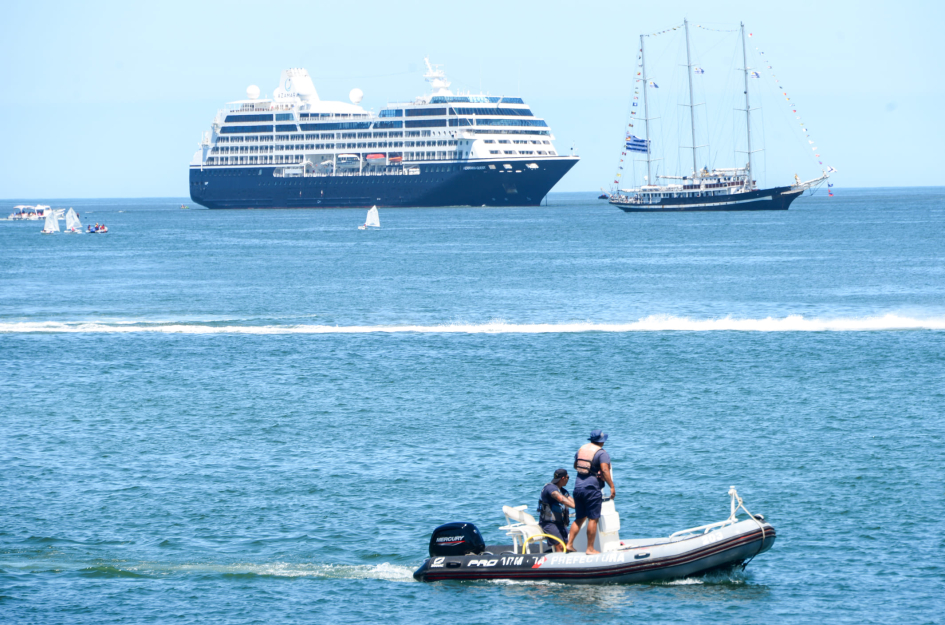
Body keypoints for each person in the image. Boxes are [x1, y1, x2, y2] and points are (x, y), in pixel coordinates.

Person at [566, 429, 615, 555]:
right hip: (592, 490)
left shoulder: (581, 450)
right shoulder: (602, 453)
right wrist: (612, 486)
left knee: (579, 517)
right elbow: (605, 469)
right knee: (593, 519)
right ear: (602, 441)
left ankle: (569, 544)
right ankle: (590, 549)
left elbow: (576, 466)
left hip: (578, 488)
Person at [537, 468, 575, 552]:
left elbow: (572, 501)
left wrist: (581, 507)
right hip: (548, 523)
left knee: (568, 545)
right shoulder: (550, 488)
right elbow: (560, 499)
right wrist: (575, 507)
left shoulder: (563, 491)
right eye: (568, 477)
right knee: (560, 546)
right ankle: (560, 563)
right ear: (563, 478)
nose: (568, 480)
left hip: (560, 524)